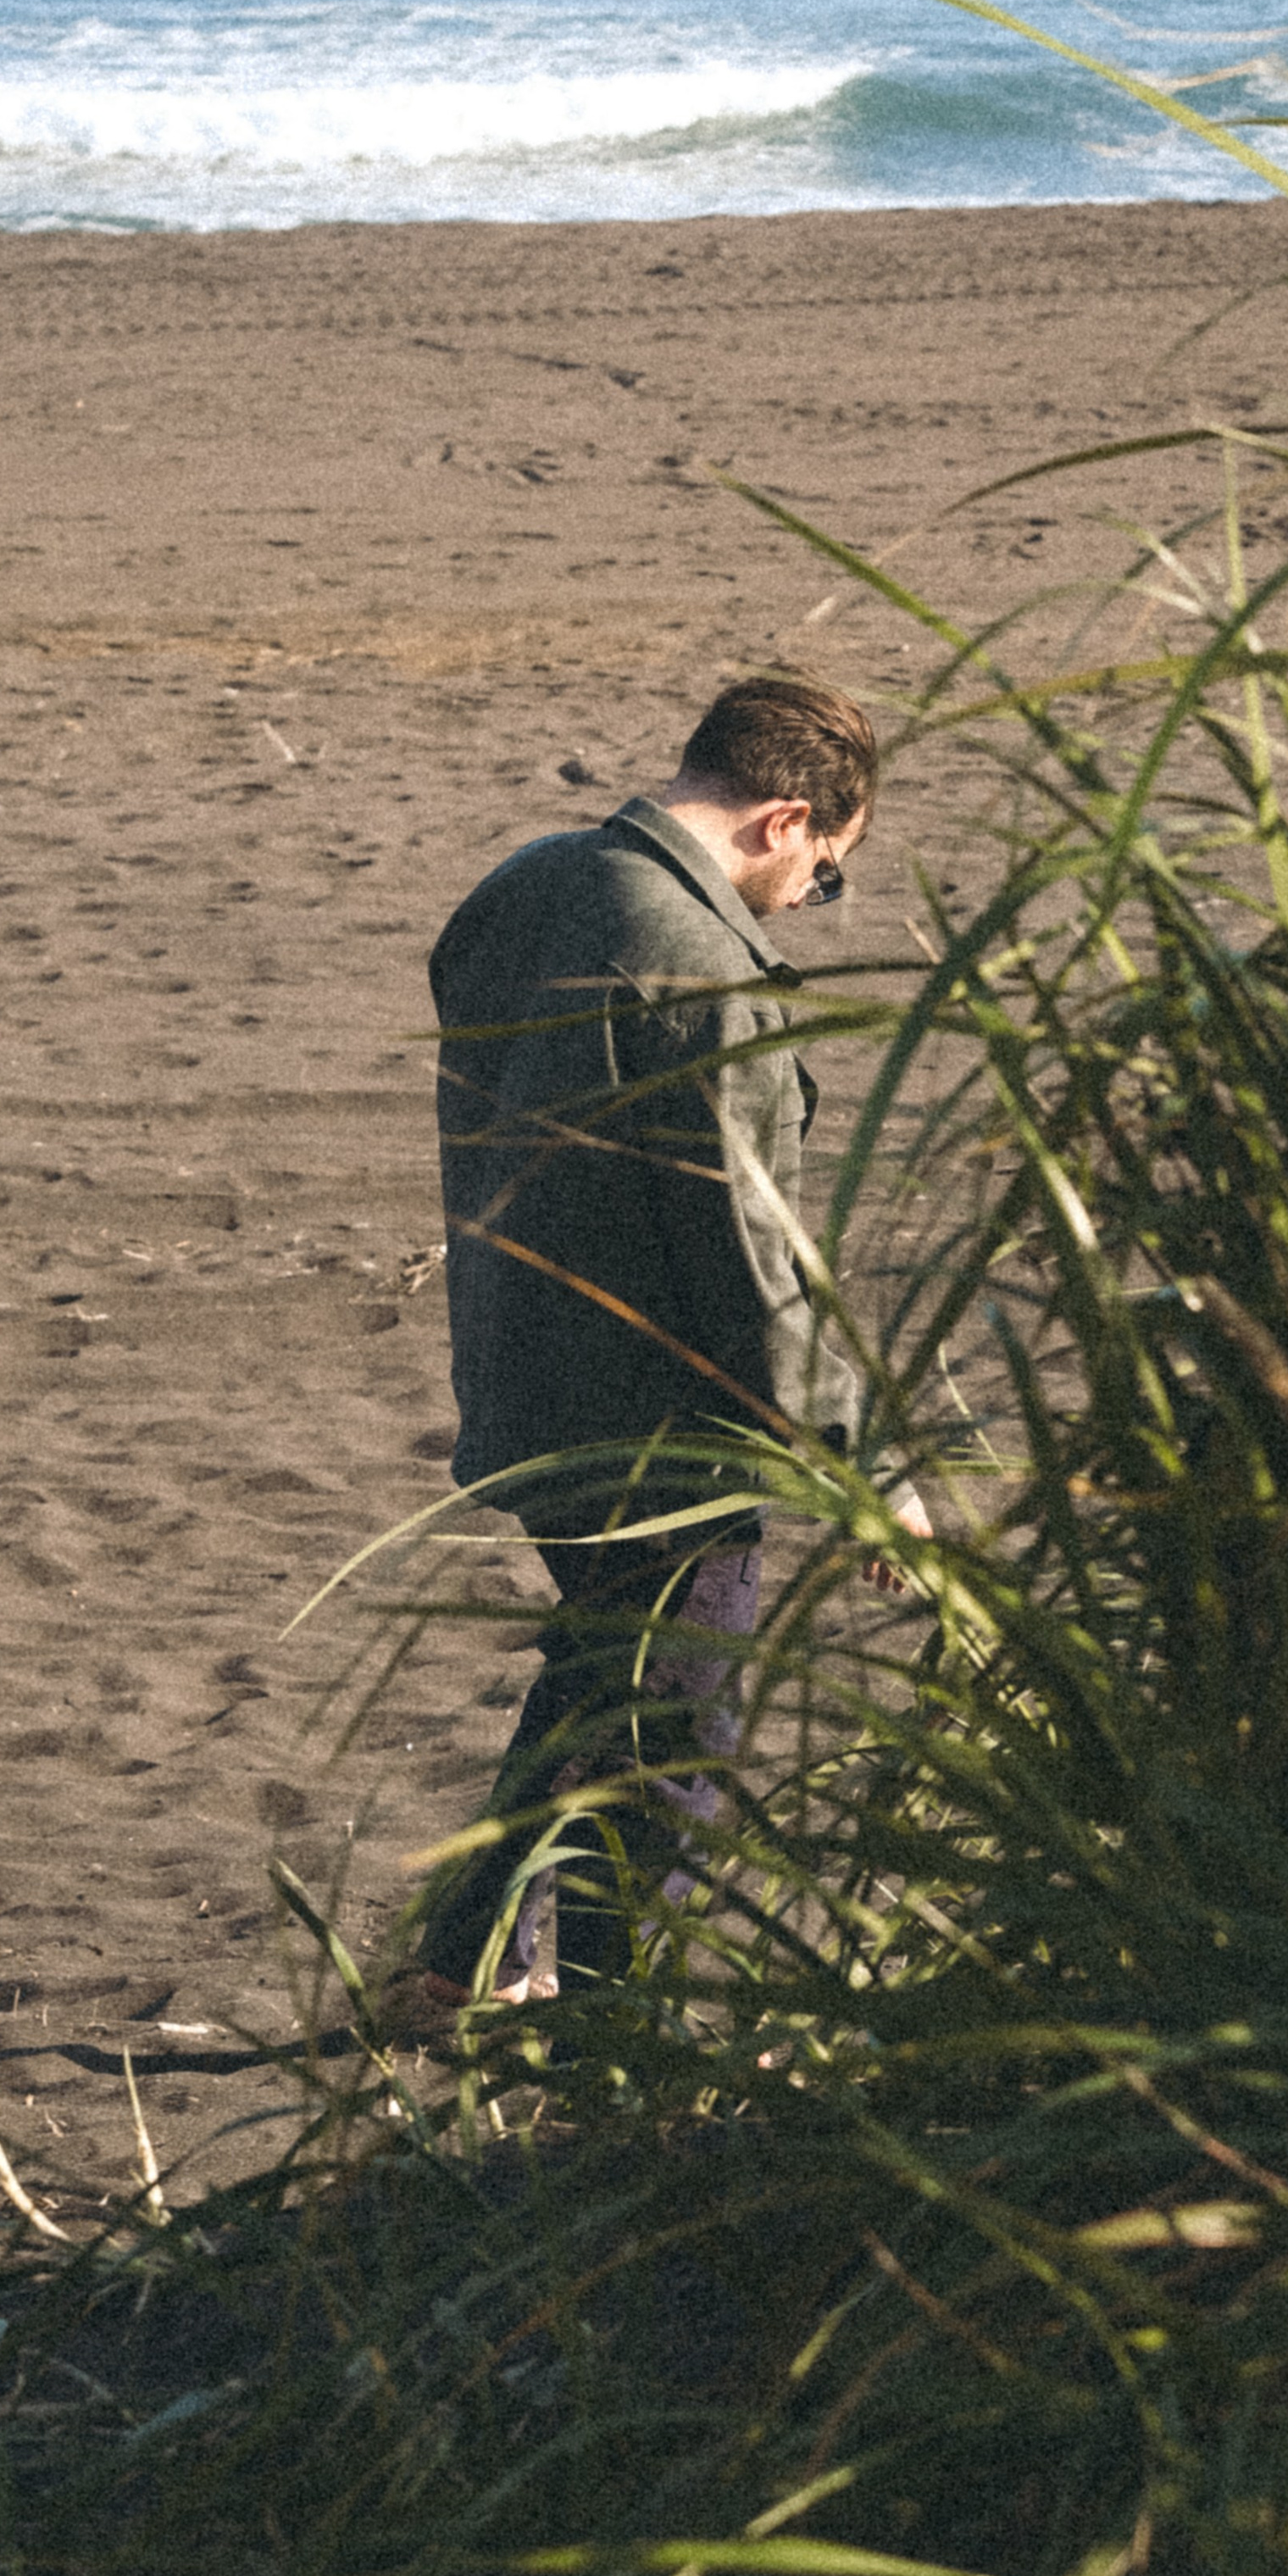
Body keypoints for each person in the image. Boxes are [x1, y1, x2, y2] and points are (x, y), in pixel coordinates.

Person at [393, 671, 928, 2030]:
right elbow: (749, 1259)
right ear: (785, 820)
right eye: (826, 876)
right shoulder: (698, 967)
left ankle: (452, 1966)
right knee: (672, 1739)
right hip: (654, 1421)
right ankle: (612, 2045)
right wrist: (862, 1465)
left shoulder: (525, 884)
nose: (811, 902)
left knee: (597, 1680)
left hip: (517, 1371)